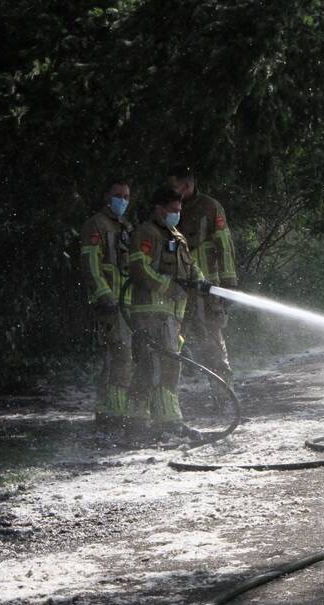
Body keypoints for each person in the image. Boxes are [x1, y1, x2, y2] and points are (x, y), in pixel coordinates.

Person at [127, 185, 207, 440]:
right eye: (172, 210)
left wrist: (200, 280)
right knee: (149, 368)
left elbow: (189, 267)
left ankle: (169, 421)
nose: (177, 214)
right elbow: (139, 268)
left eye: (179, 210)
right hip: (149, 312)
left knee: (171, 367)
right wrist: (168, 287)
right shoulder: (146, 233)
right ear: (159, 209)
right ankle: (137, 422)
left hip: (172, 315)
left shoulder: (177, 236)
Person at [166, 165, 239, 395]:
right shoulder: (167, 208)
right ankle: (168, 402)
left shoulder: (210, 207)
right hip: (176, 289)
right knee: (171, 342)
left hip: (207, 291)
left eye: (176, 186)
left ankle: (224, 396)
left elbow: (225, 247)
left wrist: (228, 286)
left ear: (188, 185)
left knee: (213, 345)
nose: (172, 191)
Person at [79, 179, 134, 428]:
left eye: (126, 196)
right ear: (107, 197)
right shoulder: (96, 225)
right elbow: (91, 265)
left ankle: (112, 409)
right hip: (109, 302)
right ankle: (111, 412)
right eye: (118, 195)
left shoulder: (126, 227)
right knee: (118, 355)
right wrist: (104, 296)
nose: (122, 200)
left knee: (123, 355)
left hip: (126, 302)